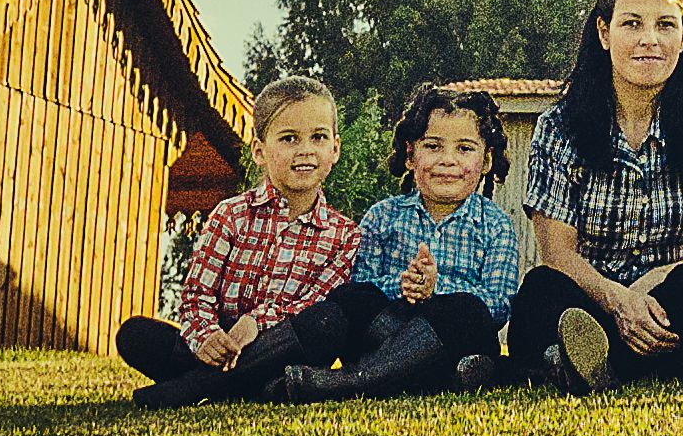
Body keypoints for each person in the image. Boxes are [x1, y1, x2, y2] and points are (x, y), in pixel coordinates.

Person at [512, 0, 683, 393]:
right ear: (604, 33)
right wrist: (617, 299)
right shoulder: (560, 127)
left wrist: (656, 280)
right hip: (592, 298)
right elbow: (559, 255)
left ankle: (583, 365)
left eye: (665, 25)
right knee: (542, 289)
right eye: (632, 24)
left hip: (667, 304)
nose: (649, 40)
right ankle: (585, 352)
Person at [113, 76, 361, 405]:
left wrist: (256, 323)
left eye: (318, 137)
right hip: (221, 348)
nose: (305, 149)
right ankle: (231, 384)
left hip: (283, 352)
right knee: (136, 335)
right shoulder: (231, 215)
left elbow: (310, 305)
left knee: (327, 322)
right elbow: (196, 295)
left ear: (335, 149)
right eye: (289, 139)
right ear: (259, 151)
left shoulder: (345, 235)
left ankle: (193, 388)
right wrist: (207, 337)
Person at [272, 85, 527, 401]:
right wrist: (403, 287)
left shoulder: (496, 225)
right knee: (352, 298)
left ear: (486, 160)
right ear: (410, 155)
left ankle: (351, 382)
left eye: (464, 148)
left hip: (450, 334)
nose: (447, 160)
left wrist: (437, 290)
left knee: (468, 311)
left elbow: (499, 305)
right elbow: (360, 287)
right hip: (384, 335)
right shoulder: (383, 216)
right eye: (433, 146)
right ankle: (442, 375)